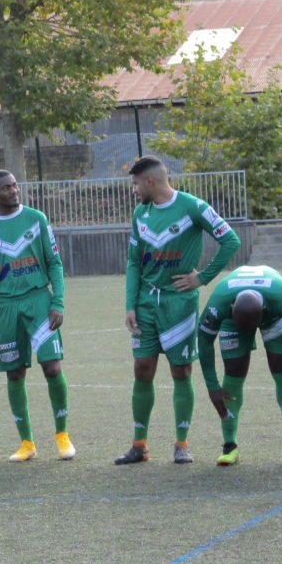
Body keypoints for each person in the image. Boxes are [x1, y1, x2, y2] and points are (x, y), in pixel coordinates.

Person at [116, 155, 240, 465]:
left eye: (134, 185)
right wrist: (130, 304)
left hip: (179, 305)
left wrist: (202, 277)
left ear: (150, 182)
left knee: (180, 371)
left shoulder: (193, 207)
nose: (133, 191)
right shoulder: (140, 215)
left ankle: (181, 443)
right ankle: (139, 445)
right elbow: (133, 262)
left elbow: (231, 240)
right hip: (146, 303)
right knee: (142, 369)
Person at [0, 169, 74, 461]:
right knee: (15, 373)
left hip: (39, 302)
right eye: (5, 188)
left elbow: (54, 262)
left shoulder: (36, 218)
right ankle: (26, 443)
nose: (13, 191)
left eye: (15, 185)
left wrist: (58, 302)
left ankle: (62, 435)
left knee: (52, 368)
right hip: (6, 307)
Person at [197, 265, 282, 465]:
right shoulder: (218, 304)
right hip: (233, 320)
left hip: (274, 318)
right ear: (231, 308)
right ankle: (229, 446)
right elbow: (204, 340)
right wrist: (212, 387)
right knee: (233, 373)